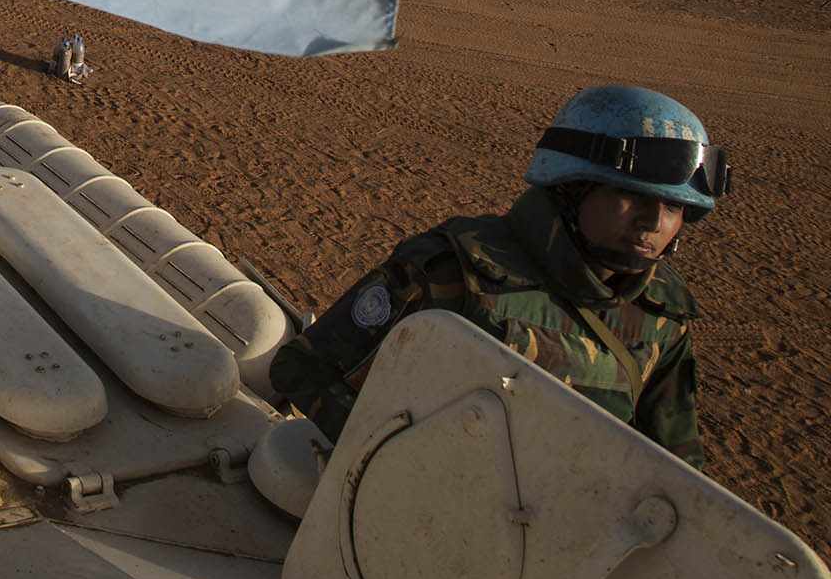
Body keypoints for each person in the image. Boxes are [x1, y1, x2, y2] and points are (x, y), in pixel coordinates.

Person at [268, 83, 726, 470]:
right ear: (571, 187)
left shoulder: (662, 314)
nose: (654, 223)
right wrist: (405, 464)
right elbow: (305, 369)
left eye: (674, 207)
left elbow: (676, 469)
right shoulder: (455, 271)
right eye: (633, 197)